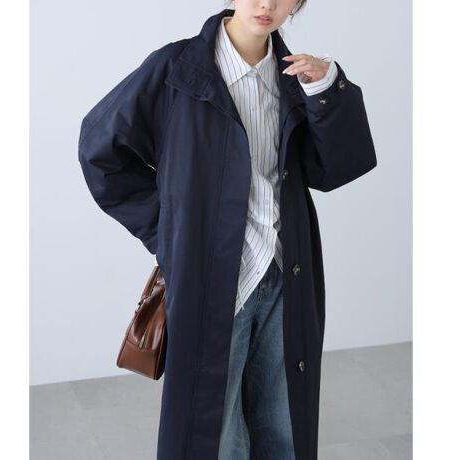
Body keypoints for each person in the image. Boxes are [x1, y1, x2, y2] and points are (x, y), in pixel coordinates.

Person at [78, 2, 377, 459]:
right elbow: (100, 150)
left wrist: (326, 88)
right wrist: (169, 230)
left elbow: (335, 169)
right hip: (214, 278)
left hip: (285, 272)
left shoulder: (297, 78)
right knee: (216, 435)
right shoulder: (175, 70)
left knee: (283, 426)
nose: (267, 4)